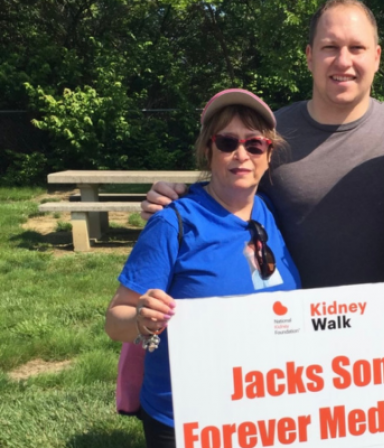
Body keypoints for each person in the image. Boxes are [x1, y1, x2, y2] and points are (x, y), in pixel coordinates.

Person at [141, 0, 384, 289]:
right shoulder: (271, 132)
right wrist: (178, 199)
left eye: (357, 48)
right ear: (310, 57)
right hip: (284, 323)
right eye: (330, 47)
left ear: (376, 58)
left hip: (374, 327)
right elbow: (228, 187)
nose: (343, 61)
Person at [105, 89, 301, 448]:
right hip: (186, 417)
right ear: (208, 150)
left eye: (254, 144)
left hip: (263, 408)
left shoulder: (269, 211)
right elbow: (115, 318)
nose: (241, 154)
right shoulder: (172, 222)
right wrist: (140, 319)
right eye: (227, 142)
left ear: (269, 155)